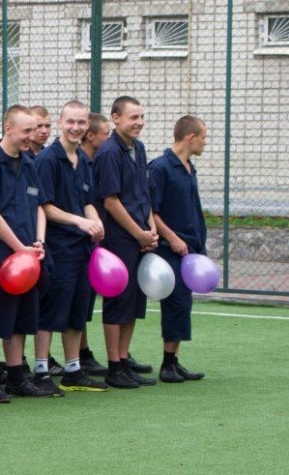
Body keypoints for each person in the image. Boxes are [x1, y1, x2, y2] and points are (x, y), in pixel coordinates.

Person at [0, 105, 53, 402]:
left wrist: (39, 241)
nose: (31, 137)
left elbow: (40, 207)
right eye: (26, 131)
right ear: (8, 128)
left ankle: (17, 376)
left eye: (34, 131)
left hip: (28, 259)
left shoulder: (30, 164)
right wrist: (20, 249)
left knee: (21, 318)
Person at [33, 101, 109, 394]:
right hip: (57, 248)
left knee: (78, 310)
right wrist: (80, 222)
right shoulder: (48, 160)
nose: (76, 128)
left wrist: (95, 222)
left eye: (81, 123)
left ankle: (73, 369)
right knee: (52, 311)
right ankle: (41, 370)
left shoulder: (84, 160)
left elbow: (88, 200)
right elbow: (45, 207)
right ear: (61, 123)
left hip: (82, 249)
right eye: (71, 122)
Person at [93, 96, 158, 389]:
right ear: (116, 118)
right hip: (120, 239)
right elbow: (111, 201)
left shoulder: (139, 148)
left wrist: (151, 230)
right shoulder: (109, 152)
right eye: (133, 117)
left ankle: (124, 361)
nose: (139, 122)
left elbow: (143, 194)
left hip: (141, 238)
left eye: (141, 117)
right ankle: (113, 367)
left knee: (134, 302)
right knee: (118, 302)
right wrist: (138, 233)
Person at [150, 115, 208, 384]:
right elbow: (152, 211)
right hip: (169, 248)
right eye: (204, 137)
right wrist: (172, 238)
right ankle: (166, 365)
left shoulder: (188, 167)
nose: (205, 142)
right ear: (190, 137)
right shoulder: (161, 167)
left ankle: (173, 361)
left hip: (190, 247)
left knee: (184, 303)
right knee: (175, 303)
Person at [78, 113, 111, 376]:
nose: (108, 139)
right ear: (91, 136)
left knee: (86, 300)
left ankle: (84, 352)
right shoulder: (79, 161)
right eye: (105, 134)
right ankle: (79, 354)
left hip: (92, 238)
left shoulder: (93, 162)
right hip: (74, 240)